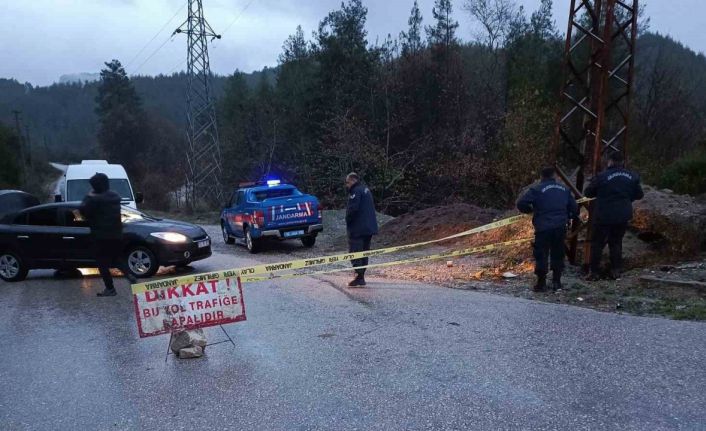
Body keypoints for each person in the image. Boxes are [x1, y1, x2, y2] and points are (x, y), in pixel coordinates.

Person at [517, 167, 579, 292]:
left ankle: (541, 283)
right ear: (554, 176)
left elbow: (521, 203)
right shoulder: (564, 189)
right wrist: (568, 216)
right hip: (560, 227)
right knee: (558, 253)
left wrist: (531, 210)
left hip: (543, 227)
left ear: (541, 177)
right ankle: (557, 282)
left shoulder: (537, 189)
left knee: (541, 254)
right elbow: (574, 207)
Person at [584, 152, 644, 280]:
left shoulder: (602, 176)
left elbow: (588, 192)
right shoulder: (632, 176)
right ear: (623, 162)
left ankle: (594, 272)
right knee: (616, 243)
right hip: (622, 215)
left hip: (603, 215)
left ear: (609, 161)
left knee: (597, 244)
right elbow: (639, 195)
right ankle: (616, 271)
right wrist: (627, 198)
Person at [79, 173, 136, 296]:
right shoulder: (115, 196)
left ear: (95, 186)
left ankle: (110, 289)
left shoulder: (92, 199)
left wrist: (88, 196)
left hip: (100, 236)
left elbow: (83, 211)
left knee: (102, 263)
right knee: (116, 259)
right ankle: (129, 274)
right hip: (116, 235)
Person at [345, 173, 378, 287]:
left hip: (358, 228)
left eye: (348, 182)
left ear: (353, 181)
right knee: (364, 252)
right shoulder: (365, 189)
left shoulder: (355, 191)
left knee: (355, 252)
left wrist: (348, 220)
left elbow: (353, 209)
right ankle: (361, 276)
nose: (347, 185)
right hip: (368, 227)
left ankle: (359, 276)